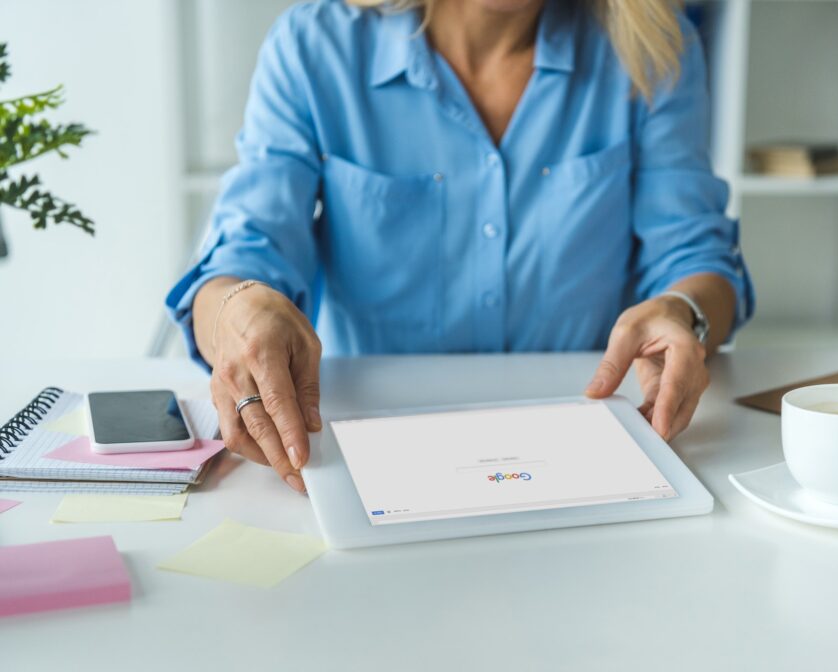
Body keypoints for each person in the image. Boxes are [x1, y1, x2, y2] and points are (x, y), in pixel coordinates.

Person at [166, 0, 755, 494]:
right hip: (366, 449)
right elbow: (245, 249)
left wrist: (685, 313)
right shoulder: (315, 45)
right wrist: (239, 309)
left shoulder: (651, 47)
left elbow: (695, 256)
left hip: (585, 449)